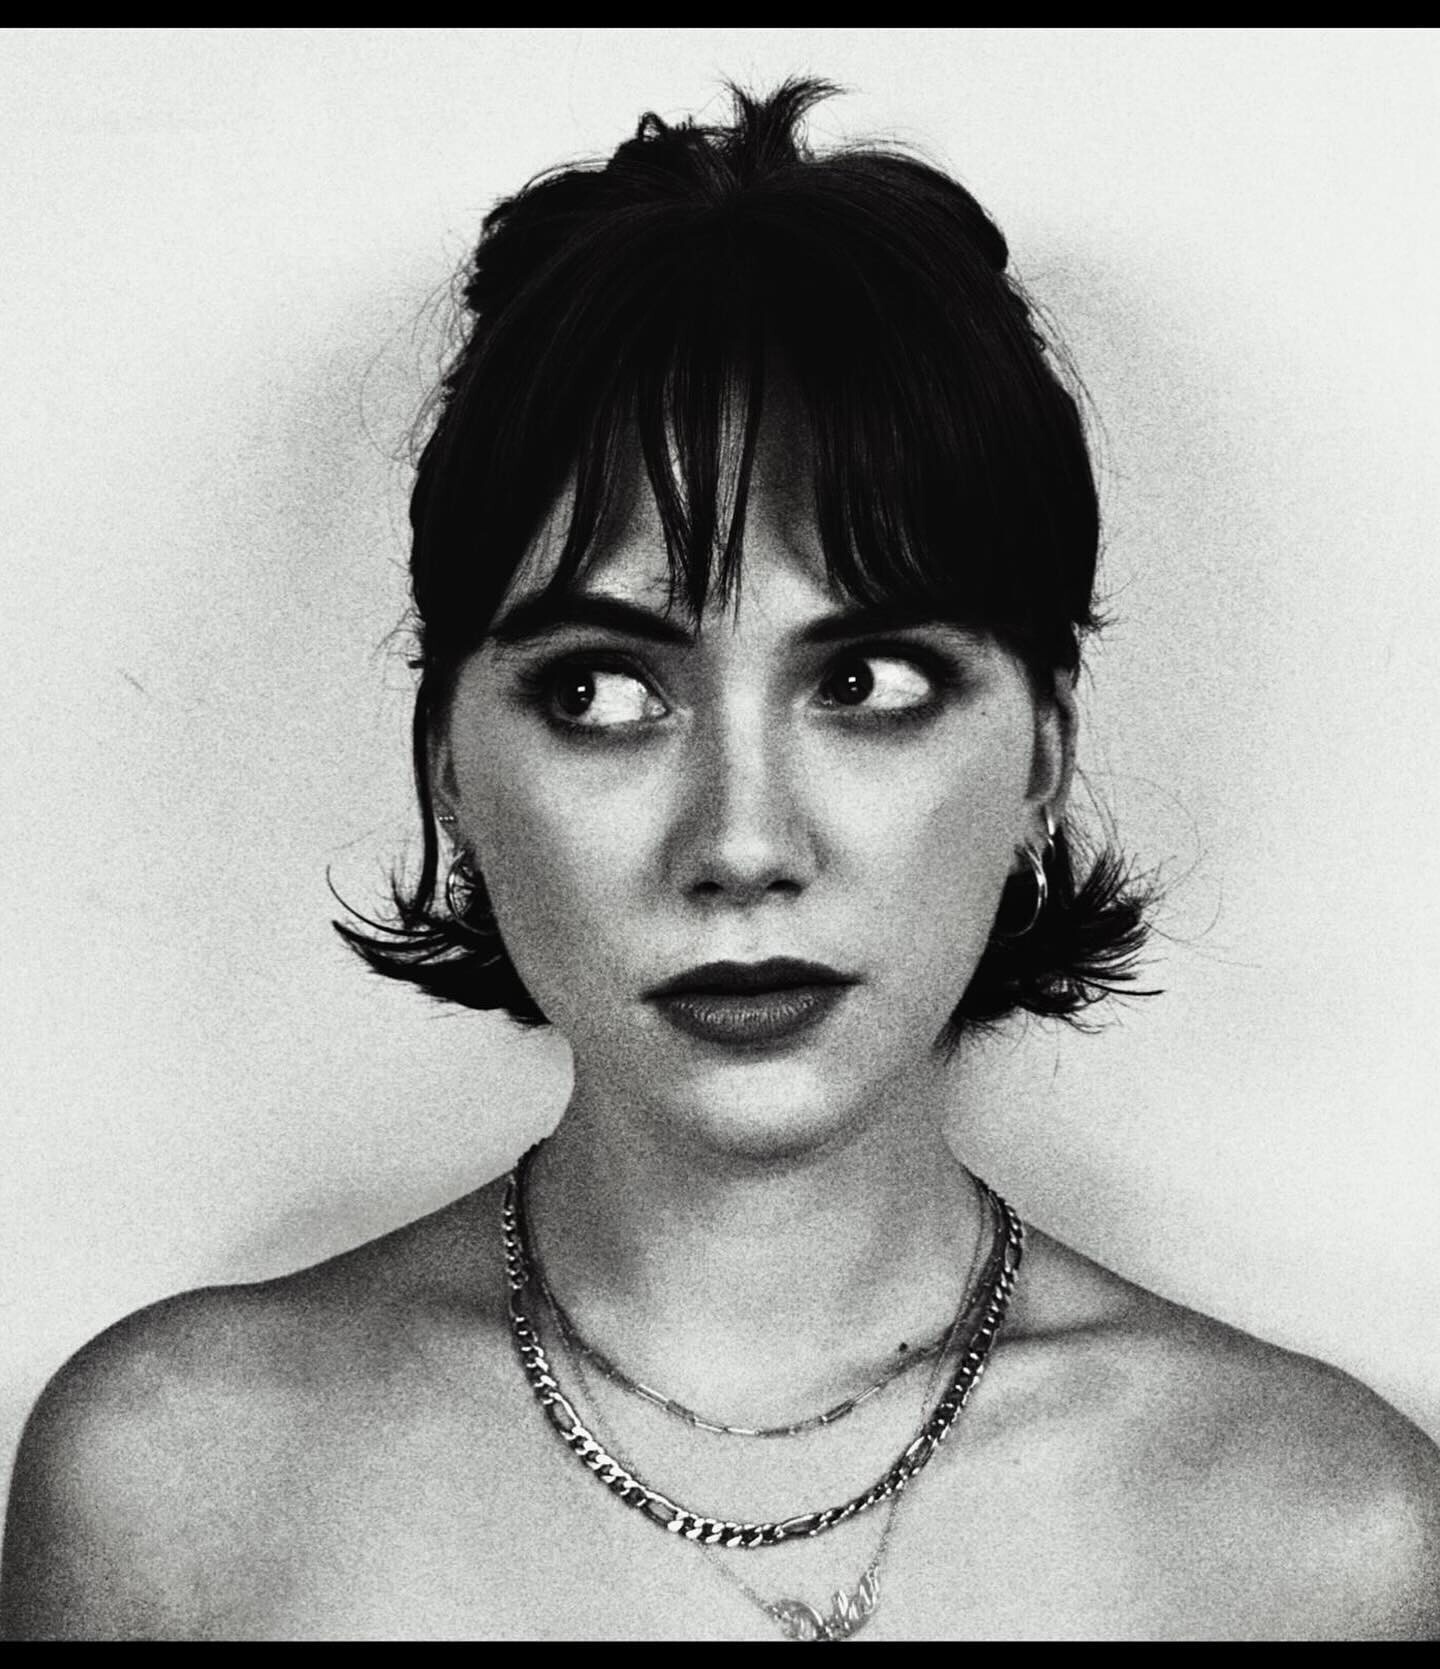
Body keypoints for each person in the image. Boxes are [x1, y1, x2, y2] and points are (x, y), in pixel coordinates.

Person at [2, 78, 1437, 1643]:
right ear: (451, 768)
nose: (744, 843)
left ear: (1042, 749)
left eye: (867, 682)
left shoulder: (1324, 1541)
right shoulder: (181, 1487)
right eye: (601, 693)